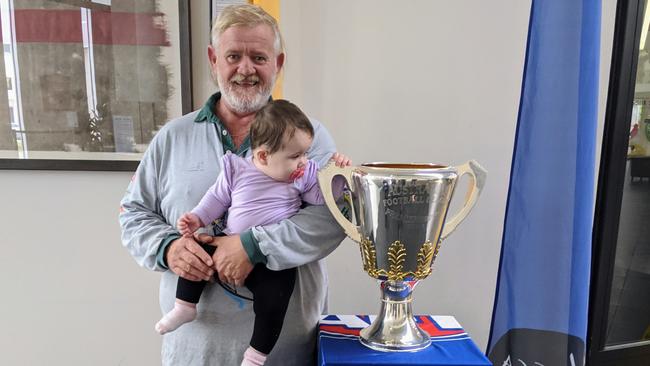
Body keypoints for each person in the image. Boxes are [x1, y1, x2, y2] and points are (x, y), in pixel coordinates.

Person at [119, 4, 347, 365]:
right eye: (233, 55)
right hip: (193, 351)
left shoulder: (311, 138)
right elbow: (134, 214)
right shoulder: (173, 137)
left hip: (285, 352)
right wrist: (169, 248)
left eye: (258, 57)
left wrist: (252, 246)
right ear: (214, 60)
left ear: (278, 62)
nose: (246, 68)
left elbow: (331, 219)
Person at [154, 100, 350, 366]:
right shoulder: (236, 168)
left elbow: (324, 200)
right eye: (295, 157)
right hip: (219, 254)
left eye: (305, 154)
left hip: (270, 262)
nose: (304, 161)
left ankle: (256, 355)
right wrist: (196, 218)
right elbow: (216, 198)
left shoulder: (300, 176)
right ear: (262, 157)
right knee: (195, 250)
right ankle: (184, 308)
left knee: (275, 300)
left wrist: (337, 177)